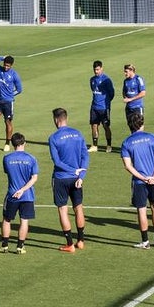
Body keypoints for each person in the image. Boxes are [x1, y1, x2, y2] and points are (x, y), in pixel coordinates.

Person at [121, 110, 154, 249]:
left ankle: (145, 241)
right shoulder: (152, 138)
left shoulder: (127, 143)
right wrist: (153, 176)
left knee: (141, 210)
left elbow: (128, 166)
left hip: (140, 182)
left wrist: (143, 178)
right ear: (142, 123)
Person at [48, 107, 89, 253]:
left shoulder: (53, 138)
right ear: (66, 118)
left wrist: (72, 171)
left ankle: (70, 244)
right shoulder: (78, 134)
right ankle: (81, 240)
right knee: (78, 207)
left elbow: (57, 161)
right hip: (76, 179)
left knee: (62, 210)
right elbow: (85, 156)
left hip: (61, 178)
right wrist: (80, 175)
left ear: (56, 120)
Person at [0, 132, 38, 254]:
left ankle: (4, 246)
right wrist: (23, 190)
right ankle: (20, 247)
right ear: (24, 143)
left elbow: (8, 173)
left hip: (12, 195)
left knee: (6, 219)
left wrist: (18, 189)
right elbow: (34, 178)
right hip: (27, 196)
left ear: (12, 144)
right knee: (24, 220)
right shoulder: (31, 159)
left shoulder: (6, 159)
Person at [88, 60, 116, 153]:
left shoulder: (106, 80)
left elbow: (112, 93)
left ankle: (109, 145)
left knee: (106, 126)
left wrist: (106, 102)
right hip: (94, 107)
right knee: (94, 125)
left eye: (98, 69)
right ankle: (95, 145)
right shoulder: (92, 80)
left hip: (104, 107)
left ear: (101, 68)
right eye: (95, 69)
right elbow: (93, 90)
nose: (96, 71)